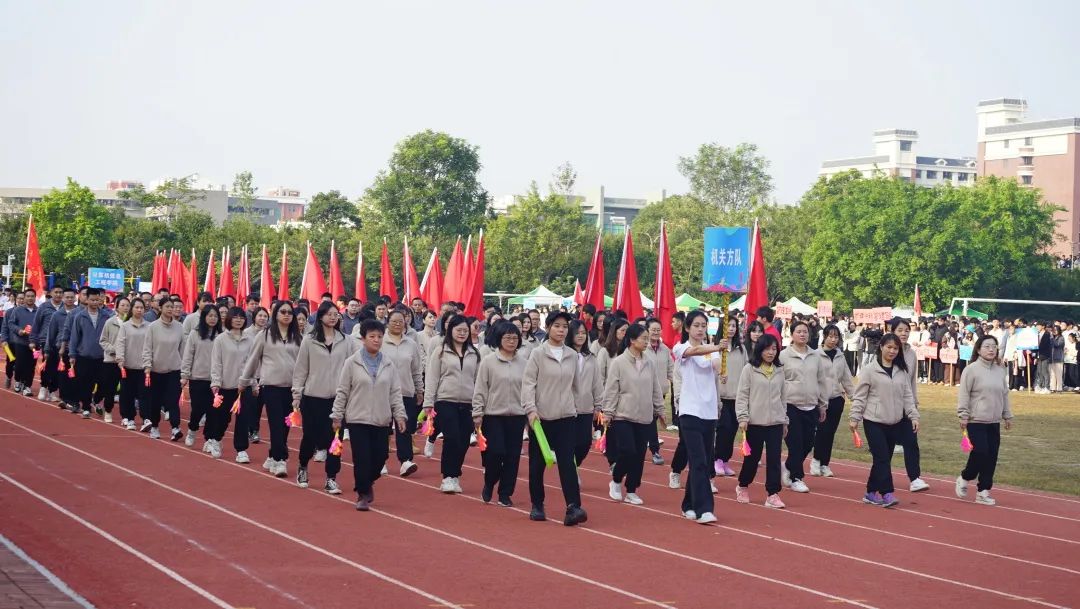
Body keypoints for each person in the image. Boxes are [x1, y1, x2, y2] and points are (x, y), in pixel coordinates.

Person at [331, 319, 407, 511]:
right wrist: (337, 415)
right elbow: (343, 391)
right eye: (372, 336)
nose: (376, 340)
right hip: (358, 418)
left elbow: (395, 392)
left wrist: (400, 415)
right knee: (362, 458)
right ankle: (363, 494)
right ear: (363, 338)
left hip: (381, 419)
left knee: (380, 457)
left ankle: (366, 482)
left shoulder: (388, 364)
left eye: (380, 336)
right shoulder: (352, 363)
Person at [523, 311, 587, 526]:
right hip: (541, 419)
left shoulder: (572, 355)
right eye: (557, 326)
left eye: (565, 327)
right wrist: (531, 410)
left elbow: (576, 386)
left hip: (566, 417)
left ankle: (573, 506)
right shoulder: (537, 354)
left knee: (568, 463)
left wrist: (576, 407)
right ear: (548, 327)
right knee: (537, 464)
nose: (561, 330)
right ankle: (537, 505)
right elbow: (528, 384)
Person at [849, 333, 919, 508]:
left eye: (895, 348)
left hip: (894, 422)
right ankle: (887, 493)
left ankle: (870, 492)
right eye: (889, 347)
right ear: (881, 347)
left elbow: (907, 396)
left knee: (883, 459)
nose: (892, 351)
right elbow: (860, 396)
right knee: (882, 458)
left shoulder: (901, 371)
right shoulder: (869, 370)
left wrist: (913, 415)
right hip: (873, 421)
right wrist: (854, 417)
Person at [293, 301, 355, 491]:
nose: (333, 317)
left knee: (335, 438)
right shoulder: (309, 340)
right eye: (329, 314)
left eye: (336, 314)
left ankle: (331, 477)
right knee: (310, 437)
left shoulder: (346, 341)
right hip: (313, 397)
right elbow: (301, 369)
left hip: (338, 399)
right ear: (320, 316)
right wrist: (297, 394)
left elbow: (353, 368)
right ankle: (303, 466)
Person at [602, 323, 663, 509]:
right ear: (632, 340)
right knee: (628, 451)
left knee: (639, 455)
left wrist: (660, 409)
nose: (647, 342)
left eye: (647, 338)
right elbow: (611, 390)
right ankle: (616, 479)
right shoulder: (618, 363)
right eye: (644, 338)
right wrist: (608, 412)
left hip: (644, 416)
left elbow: (655, 388)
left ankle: (631, 490)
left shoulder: (649, 363)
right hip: (623, 415)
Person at [241, 300, 303, 477]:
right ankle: (280, 459)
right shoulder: (265, 335)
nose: (286, 315)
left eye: (289, 312)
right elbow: (253, 359)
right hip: (271, 386)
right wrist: (244, 380)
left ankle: (272, 455)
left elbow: (303, 364)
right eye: (283, 312)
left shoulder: (298, 337)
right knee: (276, 424)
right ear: (275, 314)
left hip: (291, 388)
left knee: (286, 425)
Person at [671, 311, 721, 524]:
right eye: (696, 325)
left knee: (703, 460)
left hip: (709, 412)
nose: (700, 329)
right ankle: (704, 509)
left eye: (703, 326)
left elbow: (717, 367)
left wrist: (722, 362)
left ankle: (688, 504)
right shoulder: (680, 348)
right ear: (687, 328)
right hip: (689, 411)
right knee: (699, 460)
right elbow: (695, 351)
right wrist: (717, 347)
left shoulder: (713, 352)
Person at [472, 321, 528, 506]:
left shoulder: (524, 363)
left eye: (515, 338)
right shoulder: (488, 361)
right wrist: (477, 412)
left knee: (512, 457)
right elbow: (481, 388)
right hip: (493, 415)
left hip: (517, 416)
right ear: (499, 339)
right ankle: (489, 483)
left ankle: (505, 493)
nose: (512, 341)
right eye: (507, 338)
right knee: (495, 453)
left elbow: (529, 389)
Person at [424, 314, 481, 494]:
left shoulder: (474, 354)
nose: (462, 333)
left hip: (468, 402)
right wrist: (428, 402)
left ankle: (455, 475)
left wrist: (479, 404)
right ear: (450, 330)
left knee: (463, 441)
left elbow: (478, 380)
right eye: (459, 330)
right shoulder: (441, 351)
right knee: (452, 438)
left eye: (465, 330)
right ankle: (447, 476)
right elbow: (432, 378)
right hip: (445, 400)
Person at [956, 334, 1013, 506]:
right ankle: (965, 477)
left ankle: (983, 491)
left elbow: (1004, 394)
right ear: (979, 349)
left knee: (991, 456)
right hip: (976, 420)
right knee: (981, 451)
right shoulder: (971, 370)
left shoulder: (1000, 370)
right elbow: (964, 394)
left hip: (994, 421)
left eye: (994, 347)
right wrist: (963, 414)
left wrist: (1007, 415)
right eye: (987, 346)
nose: (991, 350)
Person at [734, 333, 787, 508]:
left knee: (774, 459)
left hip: (775, 423)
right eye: (767, 349)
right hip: (754, 423)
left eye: (774, 349)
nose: (771, 353)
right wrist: (743, 417)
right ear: (759, 350)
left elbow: (783, 397)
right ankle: (743, 485)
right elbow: (742, 395)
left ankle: (773, 493)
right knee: (752, 459)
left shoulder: (779, 370)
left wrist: (784, 420)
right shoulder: (749, 369)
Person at [778, 320, 827, 494]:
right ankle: (796, 478)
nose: (802, 334)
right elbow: (778, 381)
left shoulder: (815, 356)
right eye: (798, 331)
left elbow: (821, 380)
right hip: (791, 405)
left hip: (811, 405)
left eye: (805, 331)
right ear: (792, 334)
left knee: (808, 443)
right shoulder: (783, 356)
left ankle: (788, 466)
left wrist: (823, 404)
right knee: (796, 444)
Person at [381, 308, 425, 478]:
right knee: (382, 427)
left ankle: (405, 460)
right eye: (394, 321)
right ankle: (380, 460)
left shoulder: (411, 344)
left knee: (404, 428)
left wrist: (419, 389)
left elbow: (416, 370)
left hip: (405, 392)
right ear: (387, 323)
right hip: (383, 392)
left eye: (401, 321)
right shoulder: (380, 341)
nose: (398, 324)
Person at [210, 307, 255, 462]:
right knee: (223, 418)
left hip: (244, 386)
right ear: (229, 319)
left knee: (243, 418)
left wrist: (253, 383)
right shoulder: (220, 339)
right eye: (235, 317)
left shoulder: (250, 340)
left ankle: (241, 449)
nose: (238, 320)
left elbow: (252, 364)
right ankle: (216, 439)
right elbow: (216, 363)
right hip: (226, 385)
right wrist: (216, 382)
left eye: (241, 317)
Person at [891, 318, 930, 492]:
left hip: (907, 404)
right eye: (900, 330)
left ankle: (915, 478)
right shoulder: (885, 350)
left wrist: (914, 403)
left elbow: (912, 381)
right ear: (892, 331)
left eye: (906, 330)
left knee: (911, 442)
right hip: (887, 404)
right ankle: (880, 477)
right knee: (886, 446)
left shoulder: (911, 354)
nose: (904, 333)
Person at [810, 324, 854, 478]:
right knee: (821, 431)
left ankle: (825, 464)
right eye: (830, 336)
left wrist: (853, 397)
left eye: (836, 337)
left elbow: (846, 378)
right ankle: (816, 460)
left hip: (836, 399)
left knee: (830, 433)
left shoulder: (840, 356)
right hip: (820, 400)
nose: (833, 340)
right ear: (824, 337)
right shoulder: (815, 355)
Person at [141, 297, 184, 440]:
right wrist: (147, 366)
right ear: (160, 308)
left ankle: (175, 428)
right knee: (156, 401)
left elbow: (183, 349)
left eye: (172, 306)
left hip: (174, 369)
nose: (171, 309)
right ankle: (154, 426)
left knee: (173, 400)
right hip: (156, 370)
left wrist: (184, 369)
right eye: (167, 306)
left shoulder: (179, 327)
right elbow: (147, 348)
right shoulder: (153, 327)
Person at [68, 288, 116, 419]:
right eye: (92, 300)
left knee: (104, 383)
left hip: (103, 356)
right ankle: (86, 407)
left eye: (97, 300)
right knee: (85, 384)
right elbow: (74, 337)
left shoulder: (107, 316)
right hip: (84, 356)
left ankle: (96, 399)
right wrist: (72, 354)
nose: (95, 302)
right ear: (87, 300)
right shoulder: (79, 317)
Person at [181, 305, 221, 449]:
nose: (213, 319)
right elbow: (188, 355)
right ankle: (192, 429)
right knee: (198, 409)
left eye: (215, 316)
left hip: (215, 380)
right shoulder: (195, 334)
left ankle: (208, 439)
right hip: (197, 378)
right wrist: (185, 375)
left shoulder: (221, 335)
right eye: (210, 315)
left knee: (213, 411)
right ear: (204, 317)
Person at [568, 319, 603, 469]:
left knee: (584, 443)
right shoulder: (565, 355)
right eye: (577, 333)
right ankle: (570, 473)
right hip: (567, 408)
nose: (581, 336)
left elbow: (597, 383)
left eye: (583, 333)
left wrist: (598, 405)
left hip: (586, 407)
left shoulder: (591, 357)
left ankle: (573, 468)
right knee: (569, 443)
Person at [714, 317, 746, 478]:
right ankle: (717, 459)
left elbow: (746, 370)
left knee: (732, 430)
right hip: (721, 397)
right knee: (724, 429)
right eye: (729, 325)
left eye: (734, 326)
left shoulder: (741, 349)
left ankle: (725, 460)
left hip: (737, 397)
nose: (732, 328)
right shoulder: (716, 349)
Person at [642, 318, 672, 466]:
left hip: (661, 391)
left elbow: (671, 368)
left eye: (658, 330)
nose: (655, 332)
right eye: (653, 329)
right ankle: (654, 450)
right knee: (649, 420)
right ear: (647, 330)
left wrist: (674, 381)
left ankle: (645, 445)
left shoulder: (665, 349)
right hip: (645, 390)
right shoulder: (642, 348)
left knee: (651, 420)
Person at [43, 288, 78, 407]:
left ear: (75, 298)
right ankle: (64, 398)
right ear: (63, 298)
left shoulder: (79, 313)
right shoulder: (57, 314)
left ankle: (73, 398)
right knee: (63, 375)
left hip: (76, 349)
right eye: (67, 297)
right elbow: (51, 333)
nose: (69, 299)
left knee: (75, 375)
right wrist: (47, 349)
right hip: (61, 349)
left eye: (71, 297)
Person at [97, 296, 130, 423]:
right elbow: (103, 340)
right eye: (122, 305)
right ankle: (108, 410)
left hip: (128, 362)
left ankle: (126, 415)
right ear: (116, 307)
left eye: (127, 305)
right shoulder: (110, 322)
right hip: (112, 361)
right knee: (110, 388)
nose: (125, 308)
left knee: (126, 390)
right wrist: (114, 350)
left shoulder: (132, 323)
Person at [2, 288, 38, 397]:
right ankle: (14, 378)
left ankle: (27, 386)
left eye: (32, 296)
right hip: (17, 342)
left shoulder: (39, 311)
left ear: (35, 297)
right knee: (16, 364)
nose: (29, 298)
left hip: (35, 344)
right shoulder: (15, 311)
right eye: (27, 296)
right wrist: (19, 331)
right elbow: (8, 325)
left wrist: (37, 340)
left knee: (31, 365)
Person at [242, 306, 270, 444]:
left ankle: (254, 429)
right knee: (251, 405)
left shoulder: (270, 334)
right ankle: (251, 430)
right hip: (251, 374)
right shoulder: (246, 334)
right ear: (254, 317)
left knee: (259, 406)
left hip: (264, 375)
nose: (263, 318)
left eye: (265, 316)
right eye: (260, 315)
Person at [30, 286, 63, 400]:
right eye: (56, 292)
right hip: (46, 340)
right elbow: (36, 324)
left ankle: (52, 390)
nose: (58, 294)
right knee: (47, 365)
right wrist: (33, 340)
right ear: (51, 293)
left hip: (61, 342)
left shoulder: (66, 307)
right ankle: (43, 386)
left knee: (59, 367)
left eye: (60, 292)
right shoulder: (44, 307)